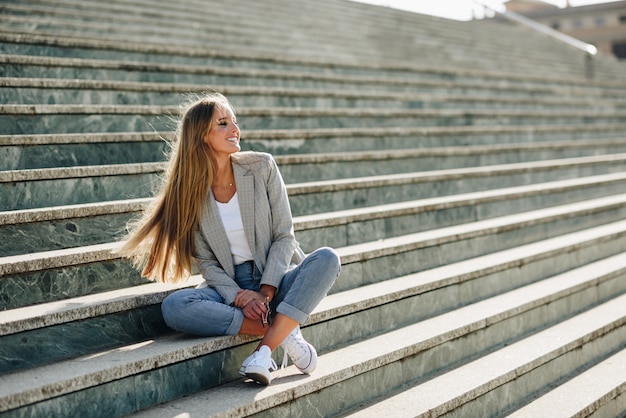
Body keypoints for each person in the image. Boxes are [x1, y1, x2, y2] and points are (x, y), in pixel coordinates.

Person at [119, 93, 341, 385]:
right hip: (229, 286)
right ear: (201, 137)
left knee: (327, 259)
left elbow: (284, 236)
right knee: (175, 307)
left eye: (234, 122)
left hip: (276, 279)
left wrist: (265, 293)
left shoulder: (262, 167)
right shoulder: (189, 194)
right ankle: (283, 330)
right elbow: (207, 263)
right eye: (223, 124)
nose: (235, 129)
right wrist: (238, 296)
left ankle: (264, 351)